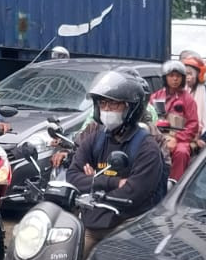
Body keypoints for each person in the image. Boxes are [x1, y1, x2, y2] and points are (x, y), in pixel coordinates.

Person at [65, 69, 168, 239]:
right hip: (93, 219)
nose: (107, 109)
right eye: (103, 103)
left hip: (128, 226)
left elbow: (133, 193)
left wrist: (92, 184)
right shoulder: (94, 139)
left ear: (131, 107)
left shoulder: (147, 148)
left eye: (114, 104)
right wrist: (113, 182)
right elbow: (72, 176)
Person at [148, 60, 199, 179]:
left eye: (178, 76)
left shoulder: (188, 99)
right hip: (158, 136)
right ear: (165, 78)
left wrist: (176, 138)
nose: (175, 79)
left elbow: (193, 125)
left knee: (181, 152)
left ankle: (174, 184)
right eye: (171, 76)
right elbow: (148, 120)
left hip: (180, 139)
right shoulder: (155, 97)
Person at [178, 51, 206, 139]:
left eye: (189, 74)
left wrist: (203, 139)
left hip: (199, 138)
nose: (187, 77)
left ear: (199, 75)